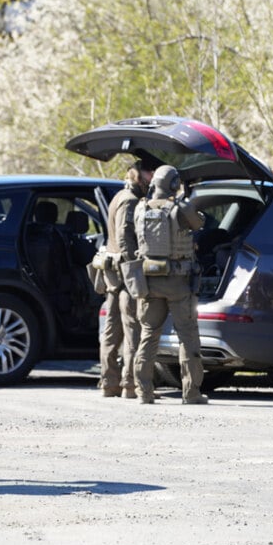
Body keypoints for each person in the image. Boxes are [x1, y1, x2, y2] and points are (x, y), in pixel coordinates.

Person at [131, 165, 207, 405]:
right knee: (187, 337)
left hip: (149, 281)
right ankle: (191, 392)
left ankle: (143, 391)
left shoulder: (140, 208)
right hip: (178, 282)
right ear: (174, 184)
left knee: (148, 335)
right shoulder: (180, 209)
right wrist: (185, 200)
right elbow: (199, 223)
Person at [97, 160, 153, 398]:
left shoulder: (119, 196)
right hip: (124, 276)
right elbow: (124, 239)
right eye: (149, 172)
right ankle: (129, 385)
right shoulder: (130, 200)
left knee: (111, 331)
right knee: (133, 330)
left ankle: (109, 384)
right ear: (139, 175)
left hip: (112, 274)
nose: (152, 177)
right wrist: (134, 270)